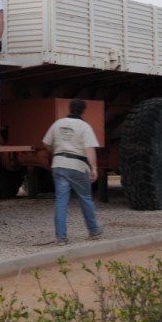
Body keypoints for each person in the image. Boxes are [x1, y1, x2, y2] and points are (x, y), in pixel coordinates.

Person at [42, 99, 103, 245]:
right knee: (85, 197)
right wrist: (94, 168)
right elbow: (89, 149)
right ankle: (93, 230)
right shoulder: (85, 127)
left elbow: (46, 142)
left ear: (69, 109)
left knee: (61, 201)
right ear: (83, 110)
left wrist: (54, 153)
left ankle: (61, 237)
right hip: (78, 166)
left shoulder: (58, 124)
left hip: (59, 164)